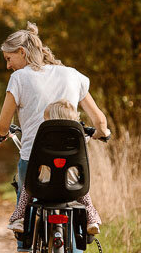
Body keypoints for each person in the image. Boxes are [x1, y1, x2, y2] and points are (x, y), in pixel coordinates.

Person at [0, 23, 110, 253]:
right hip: (73, 163)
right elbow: (100, 121)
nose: (9, 66)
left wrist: (1, 133)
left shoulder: (20, 79)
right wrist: (101, 133)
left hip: (35, 160)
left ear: (22, 52)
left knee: (26, 200)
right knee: (75, 208)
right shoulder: (72, 75)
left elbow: (1, 123)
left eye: (9, 58)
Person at [8, 99, 102, 234]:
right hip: (72, 185)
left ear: (50, 120)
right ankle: (91, 221)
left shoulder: (42, 137)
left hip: (43, 185)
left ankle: (19, 219)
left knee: (26, 188)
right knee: (85, 197)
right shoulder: (77, 138)